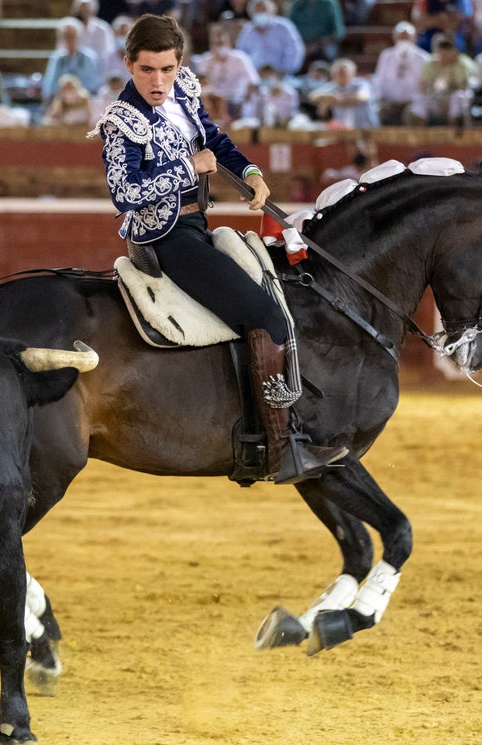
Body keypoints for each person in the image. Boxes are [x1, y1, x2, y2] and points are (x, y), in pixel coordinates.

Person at [91, 14, 347, 484]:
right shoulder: (119, 121)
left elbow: (215, 140)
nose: (158, 81)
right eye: (147, 70)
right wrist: (190, 169)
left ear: (179, 63)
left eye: (167, 69)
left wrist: (249, 173)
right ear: (128, 64)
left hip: (197, 227)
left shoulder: (184, 89)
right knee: (265, 316)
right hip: (164, 238)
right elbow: (123, 192)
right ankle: (281, 447)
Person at [193, 23, 258, 123]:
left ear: (229, 42)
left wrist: (244, 99)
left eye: (222, 43)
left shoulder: (240, 59)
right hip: (214, 102)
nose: (220, 46)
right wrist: (213, 63)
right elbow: (201, 84)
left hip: (236, 101)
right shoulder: (205, 60)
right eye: (216, 43)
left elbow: (253, 82)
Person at [408, 33, 475, 126]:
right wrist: (434, 88)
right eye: (442, 50)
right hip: (436, 98)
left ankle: (454, 127)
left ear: (453, 51)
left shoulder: (461, 64)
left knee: (459, 97)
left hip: (453, 99)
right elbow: (423, 86)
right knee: (420, 98)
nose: (444, 54)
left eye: (447, 50)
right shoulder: (431, 64)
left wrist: (448, 85)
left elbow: (463, 86)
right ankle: (420, 130)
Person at [371, 20, 429, 125]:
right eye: (401, 37)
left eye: (407, 37)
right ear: (395, 38)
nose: (404, 41)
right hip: (389, 102)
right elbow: (379, 80)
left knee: (416, 114)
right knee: (375, 112)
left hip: (412, 103)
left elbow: (424, 86)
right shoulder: (386, 56)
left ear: (414, 38)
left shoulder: (423, 58)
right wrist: (380, 99)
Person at [42, 16, 103, 105]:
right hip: (62, 102)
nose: (69, 39)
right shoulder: (57, 58)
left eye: (72, 35)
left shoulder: (89, 57)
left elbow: (94, 84)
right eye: (66, 36)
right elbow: (50, 84)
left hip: (84, 101)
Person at [236, 0, 304, 76]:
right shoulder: (247, 30)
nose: (260, 13)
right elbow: (242, 53)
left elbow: (295, 49)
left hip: (281, 75)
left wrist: (286, 70)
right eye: (257, 11)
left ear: (271, 11)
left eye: (263, 10)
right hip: (256, 75)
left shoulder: (284, 27)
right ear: (251, 14)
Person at [308, 56, 377, 128]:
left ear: (352, 74)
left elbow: (362, 97)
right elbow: (312, 96)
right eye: (339, 74)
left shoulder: (361, 84)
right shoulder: (332, 86)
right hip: (342, 130)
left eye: (345, 73)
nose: (342, 76)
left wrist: (333, 100)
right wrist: (328, 98)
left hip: (366, 128)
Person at [288, 0, 344, 67]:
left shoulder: (329, 3)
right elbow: (289, 28)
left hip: (322, 45)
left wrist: (317, 45)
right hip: (300, 44)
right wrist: (301, 46)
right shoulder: (297, 3)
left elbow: (338, 32)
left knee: (329, 52)